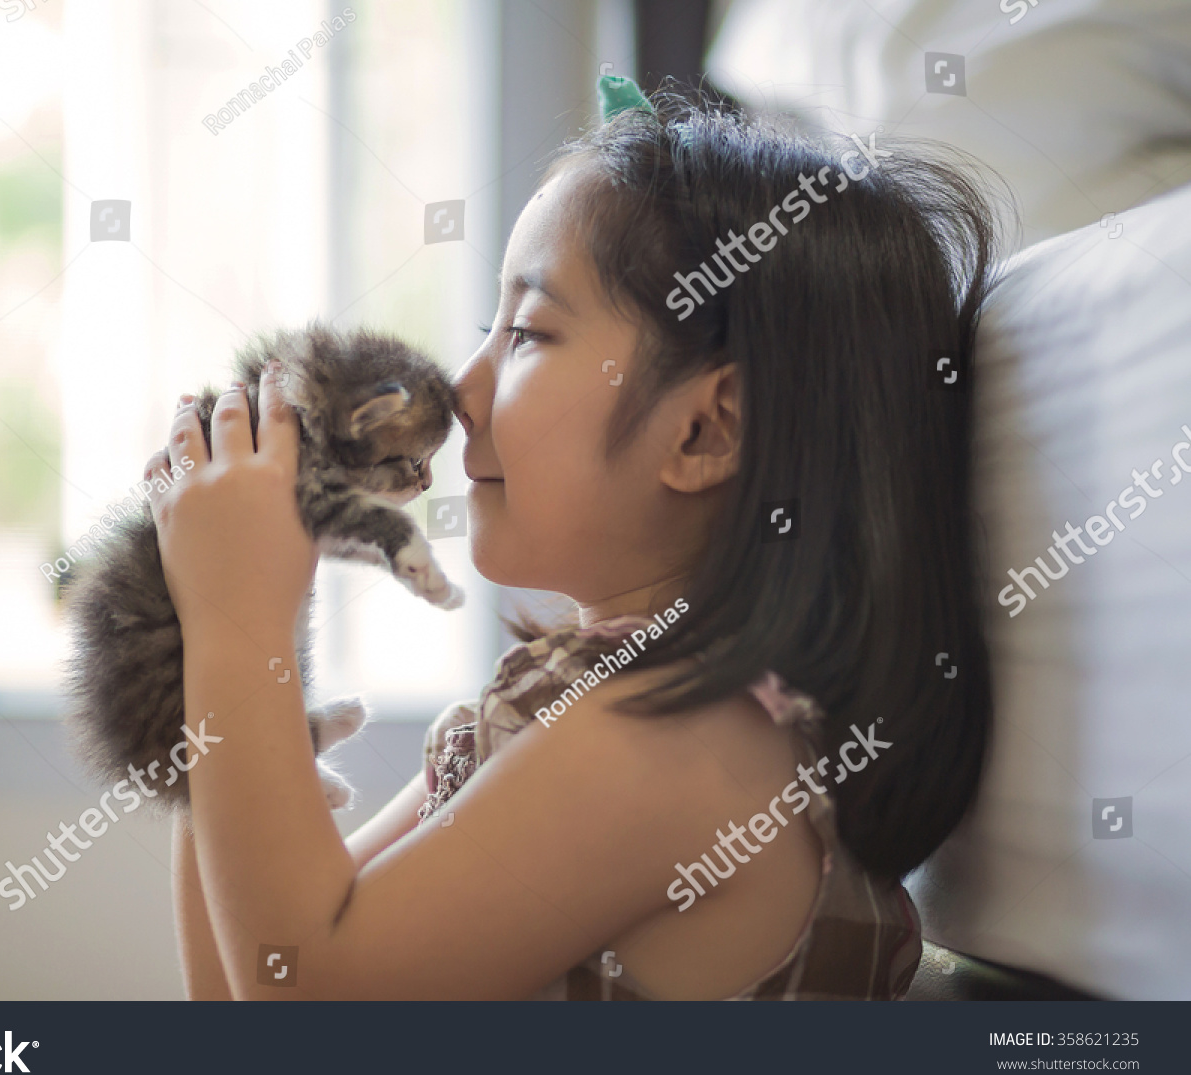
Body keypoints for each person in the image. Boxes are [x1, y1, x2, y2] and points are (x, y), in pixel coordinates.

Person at [142, 77, 998, 999]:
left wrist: (236, 623)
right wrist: (201, 631)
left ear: (706, 430)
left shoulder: (689, 740)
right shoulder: (559, 710)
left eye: (530, 333)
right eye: (485, 329)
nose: (462, 391)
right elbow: (240, 988)